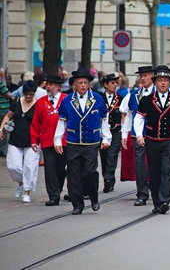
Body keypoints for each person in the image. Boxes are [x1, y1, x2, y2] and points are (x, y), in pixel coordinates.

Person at [134, 65, 170, 215]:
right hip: (152, 140)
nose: (163, 83)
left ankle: (165, 200)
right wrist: (139, 134)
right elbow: (139, 118)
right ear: (155, 82)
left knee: (166, 169)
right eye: (160, 80)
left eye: (165, 80)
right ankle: (156, 202)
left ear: (169, 82)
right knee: (154, 172)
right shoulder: (147, 100)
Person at [54, 68, 112, 215]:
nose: (83, 85)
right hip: (73, 142)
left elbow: (104, 119)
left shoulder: (97, 98)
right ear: (74, 85)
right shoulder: (67, 100)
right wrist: (57, 141)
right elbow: (62, 121)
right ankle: (77, 204)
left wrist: (106, 138)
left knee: (90, 172)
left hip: (91, 143)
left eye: (85, 82)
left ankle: (93, 197)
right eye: (80, 83)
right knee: (73, 175)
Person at [120, 65, 156, 206]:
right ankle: (142, 194)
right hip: (137, 134)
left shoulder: (158, 92)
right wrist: (125, 134)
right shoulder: (134, 94)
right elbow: (129, 115)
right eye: (141, 76)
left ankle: (155, 187)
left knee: (155, 163)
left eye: (146, 75)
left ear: (152, 76)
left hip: (155, 134)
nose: (143, 78)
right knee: (139, 164)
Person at [30, 75, 67, 206]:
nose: (48, 87)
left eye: (51, 84)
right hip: (47, 141)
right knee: (50, 169)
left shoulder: (66, 100)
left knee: (61, 169)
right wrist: (34, 139)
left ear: (58, 86)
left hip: (64, 142)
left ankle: (58, 188)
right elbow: (35, 123)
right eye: (47, 84)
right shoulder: (41, 102)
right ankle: (54, 196)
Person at [0, 80, 39, 203]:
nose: (28, 96)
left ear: (34, 93)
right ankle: (20, 183)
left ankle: (27, 192)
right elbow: (7, 116)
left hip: (31, 141)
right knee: (13, 166)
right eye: (26, 93)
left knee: (29, 167)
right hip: (15, 139)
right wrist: (1, 129)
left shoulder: (37, 105)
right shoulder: (16, 102)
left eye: (31, 94)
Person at [100, 73, 123, 193]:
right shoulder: (99, 98)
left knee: (112, 156)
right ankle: (107, 179)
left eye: (116, 83)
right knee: (104, 157)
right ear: (105, 85)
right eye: (112, 83)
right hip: (102, 133)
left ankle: (109, 179)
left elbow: (123, 116)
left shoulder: (121, 99)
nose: (115, 85)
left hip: (116, 131)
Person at [0, 68, 12, 157]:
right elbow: (9, 95)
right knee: (4, 129)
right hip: (3, 110)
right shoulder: (1, 84)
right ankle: (2, 149)